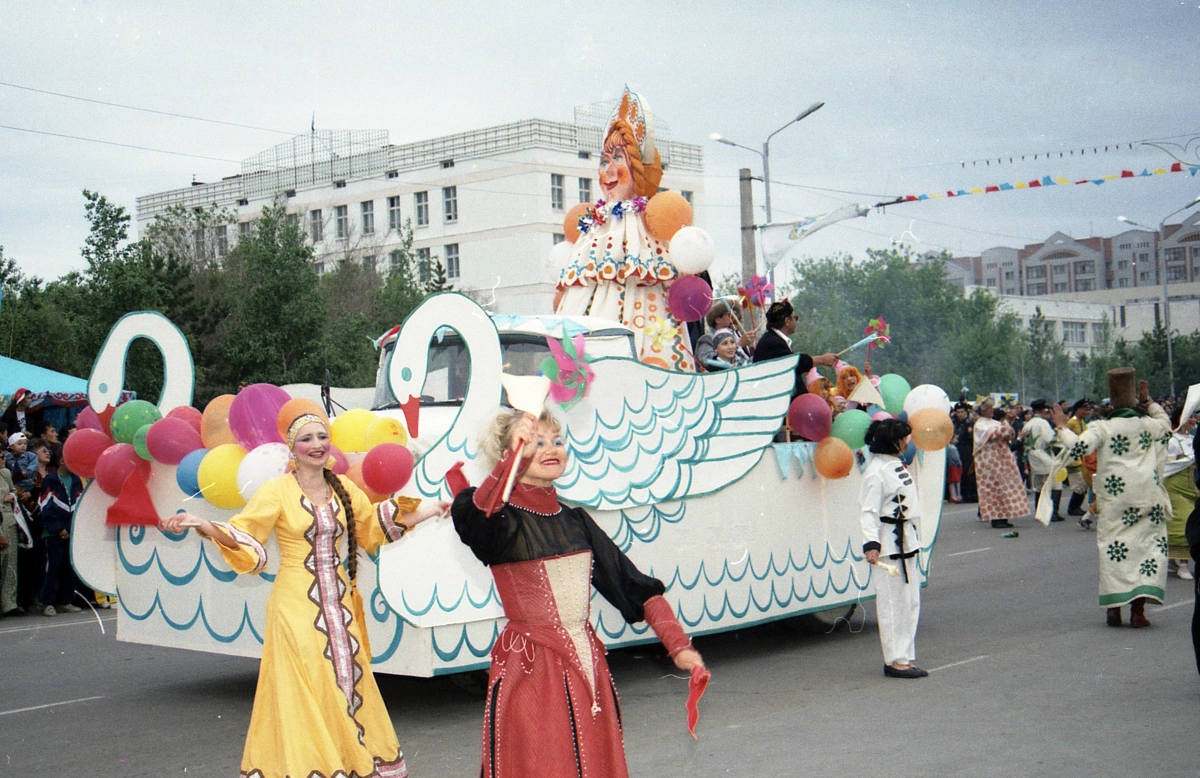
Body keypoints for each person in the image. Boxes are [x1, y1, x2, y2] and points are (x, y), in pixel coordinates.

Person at [160, 411, 448, 778]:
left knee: (347, 676)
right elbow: (247, 535)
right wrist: (205, 526)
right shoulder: (277, 490)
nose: (316, 445)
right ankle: (313, 766)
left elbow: (371, 526)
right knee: (310, 682)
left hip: (340, 602)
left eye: (322, 437)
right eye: (306, 439)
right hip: (295, 604)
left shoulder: (343, 486)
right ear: (292, 450)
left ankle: (347, 761)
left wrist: (428, 510)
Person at [450, 408, 705, 778]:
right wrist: (513, 460)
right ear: (510, 453)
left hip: (589, 667)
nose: (551, 448)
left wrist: (679, 646)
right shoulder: (496, 519)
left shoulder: (575, 520)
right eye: (536, 442)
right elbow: (479, 517)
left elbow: (632, 585)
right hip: (531, 671)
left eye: (557, 440)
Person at [555, 87, 695, 371]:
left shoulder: (647, 223)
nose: (607, 170)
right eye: (604, 161)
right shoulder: (593, 227)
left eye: (618, 159)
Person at [1051, 369, 1171, 628]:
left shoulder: (1101, 427)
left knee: (1114, 552)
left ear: (1111, 403)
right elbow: (1167, 426)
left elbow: (1078, 447)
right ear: (1135, 401)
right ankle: (1138, 612)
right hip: (1148, 499)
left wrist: (1061, 427)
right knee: (1146, 550)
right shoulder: (1147, 424)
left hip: (1115, 502)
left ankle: (1113, 609)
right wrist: (1150, 403)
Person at [859, 418, 927, 678]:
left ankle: (906, 655)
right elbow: (867, 511)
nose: (907, 442)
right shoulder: (876, 471)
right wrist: (872, 543)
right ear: (893, 441)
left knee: (910, 602)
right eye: (904, 438)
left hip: (908, 539)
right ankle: (894, 660)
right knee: (891, 605)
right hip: (889, 542)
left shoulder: (895, 465)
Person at [751, 299, 837, 396]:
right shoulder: (771, 342)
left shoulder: (773, 340)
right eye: (795, 317)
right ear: (787, 321)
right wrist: (822, 360)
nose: (796, 321)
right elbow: (794, 362)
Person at [38, 445, 82, 616]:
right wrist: (58, 528)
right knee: (53, 567)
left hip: (71, 532)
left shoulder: (76, 479)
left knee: (69, 567)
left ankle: (65, 600)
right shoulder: (50, 479)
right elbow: (45, 506)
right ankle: (48, 602)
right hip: (53, 533)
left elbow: (79, 506)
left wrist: (73, 529)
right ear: (62, 461)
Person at [972, 398, 1029, 528]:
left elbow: (1009, 434)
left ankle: (1004, 516)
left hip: (1001, 460)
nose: (991, 410)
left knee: (1004, 487)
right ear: (983, 410)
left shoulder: (994, 422)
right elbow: (998, 433)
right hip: (989, 462)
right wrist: (1006, 422)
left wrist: (1007, 423)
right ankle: (996, 518)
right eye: (988, 408)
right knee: (994, 489)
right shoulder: (980, 425)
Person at [1164, 407, 1197, 581]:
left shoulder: (1192, 439)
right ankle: (1183, 565)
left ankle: (1172, 559)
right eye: (1191, 417)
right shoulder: (1172, 441)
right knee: (1183, 523)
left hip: (1190, 487)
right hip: (1174, 487)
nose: (1195, 420)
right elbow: (1168, 467)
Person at [1022, 400, 1062, 521]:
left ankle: (1040, 512)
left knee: (1039, 485)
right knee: (1055, 484)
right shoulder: (1042, 423)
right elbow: (1050, 439)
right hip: (1044, 455)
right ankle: (1053, 513)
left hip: (1033, 456)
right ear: (1042, 410)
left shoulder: (1028, 424)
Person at [1064, 400, 1092, 519]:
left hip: (1083, 456)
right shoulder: (1072, 422)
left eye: (1087, 410)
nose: (1086, 412)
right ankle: (1072, 507)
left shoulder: (1082, 422)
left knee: (1084, 483)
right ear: (1077, 410)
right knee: (1079, 484)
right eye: (1084, 410)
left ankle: (1076, 506)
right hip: (1074, 456)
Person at [0, 460, 18, 617]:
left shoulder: (5, 473)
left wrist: (12, 495)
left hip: (8, 518)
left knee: (10, 563)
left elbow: (14, 490)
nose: (2, 460)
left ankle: (9, 603)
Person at [952, 403, 978, 503]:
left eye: (962, 412)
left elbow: (970, 437)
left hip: (967, 449)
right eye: (958, 412)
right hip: (958, 449)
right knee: (960, 471)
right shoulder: (955, 422)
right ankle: (962, 493)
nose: (960, 414)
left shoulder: (969, 423)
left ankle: (970, 495)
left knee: (968, 472)